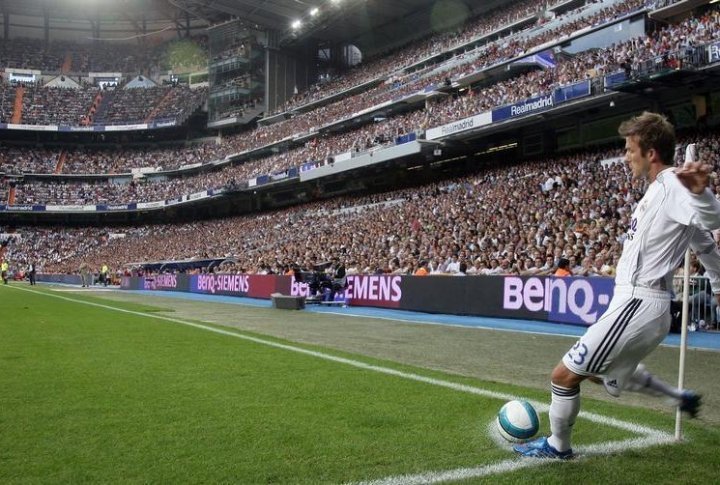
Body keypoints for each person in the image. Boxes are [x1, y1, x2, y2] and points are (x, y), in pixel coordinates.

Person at [515, 112, 720, 460]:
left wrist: (702, 194)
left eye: (629, 149)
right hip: (637, 304)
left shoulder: (672, 185)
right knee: (601, 374)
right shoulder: (658, 191)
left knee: (563, 375)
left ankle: (557, 446)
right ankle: (675, 397)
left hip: (640, 302)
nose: (625, 157)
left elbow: (712, 220)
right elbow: (703, 242)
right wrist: (717, 283)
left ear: (650, 153)